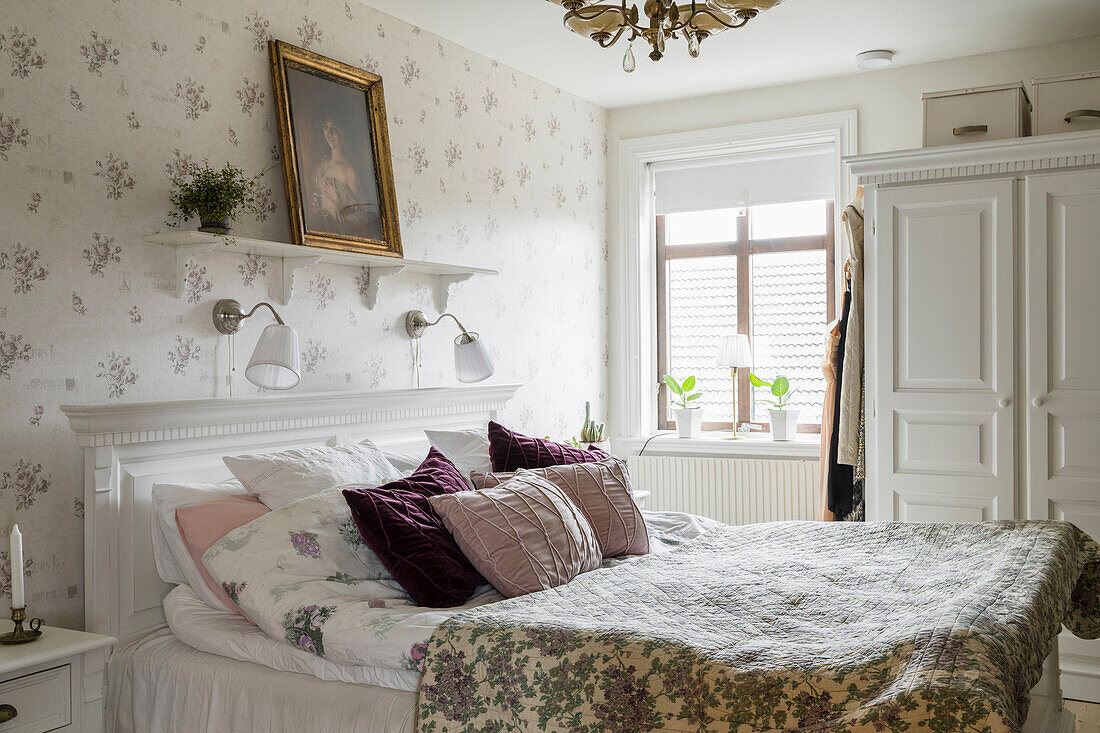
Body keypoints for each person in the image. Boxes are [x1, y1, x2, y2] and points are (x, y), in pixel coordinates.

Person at [307, 102, 382, 239]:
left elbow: (363, 217)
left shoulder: (349, 171)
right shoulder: (322, 166)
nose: (329, 134)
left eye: (333, 128)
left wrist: (338, 201)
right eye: (326, 127)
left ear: (343, 133)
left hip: (343, 236)